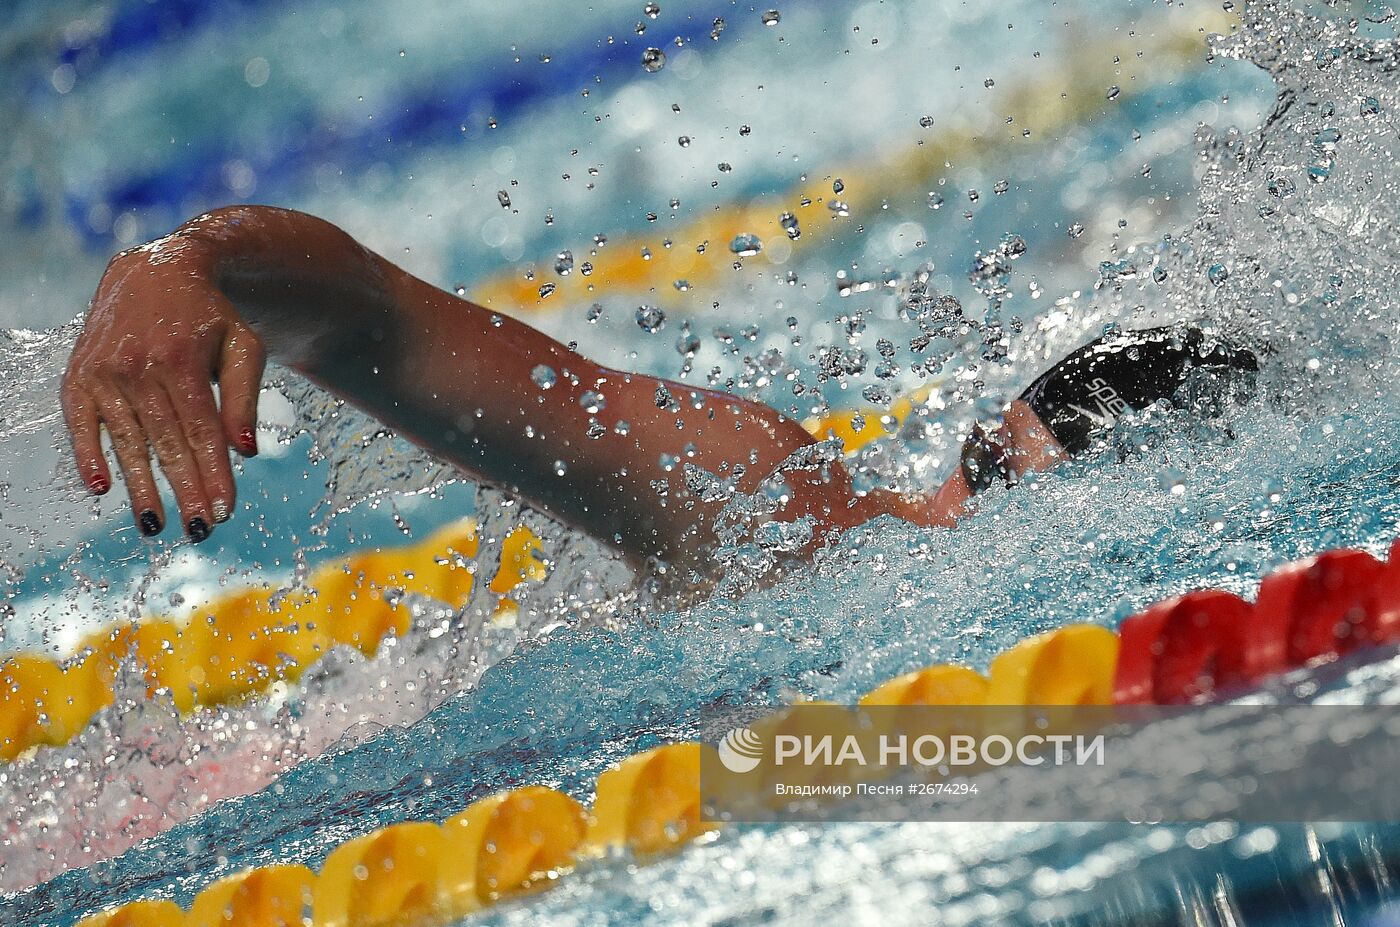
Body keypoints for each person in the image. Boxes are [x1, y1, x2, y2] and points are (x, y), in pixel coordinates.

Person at [61, 206, 1256, 588]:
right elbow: (376, 321)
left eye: (996, 483)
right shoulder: (776, 511)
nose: (950, 505)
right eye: (980, 466)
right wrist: (181, 267)